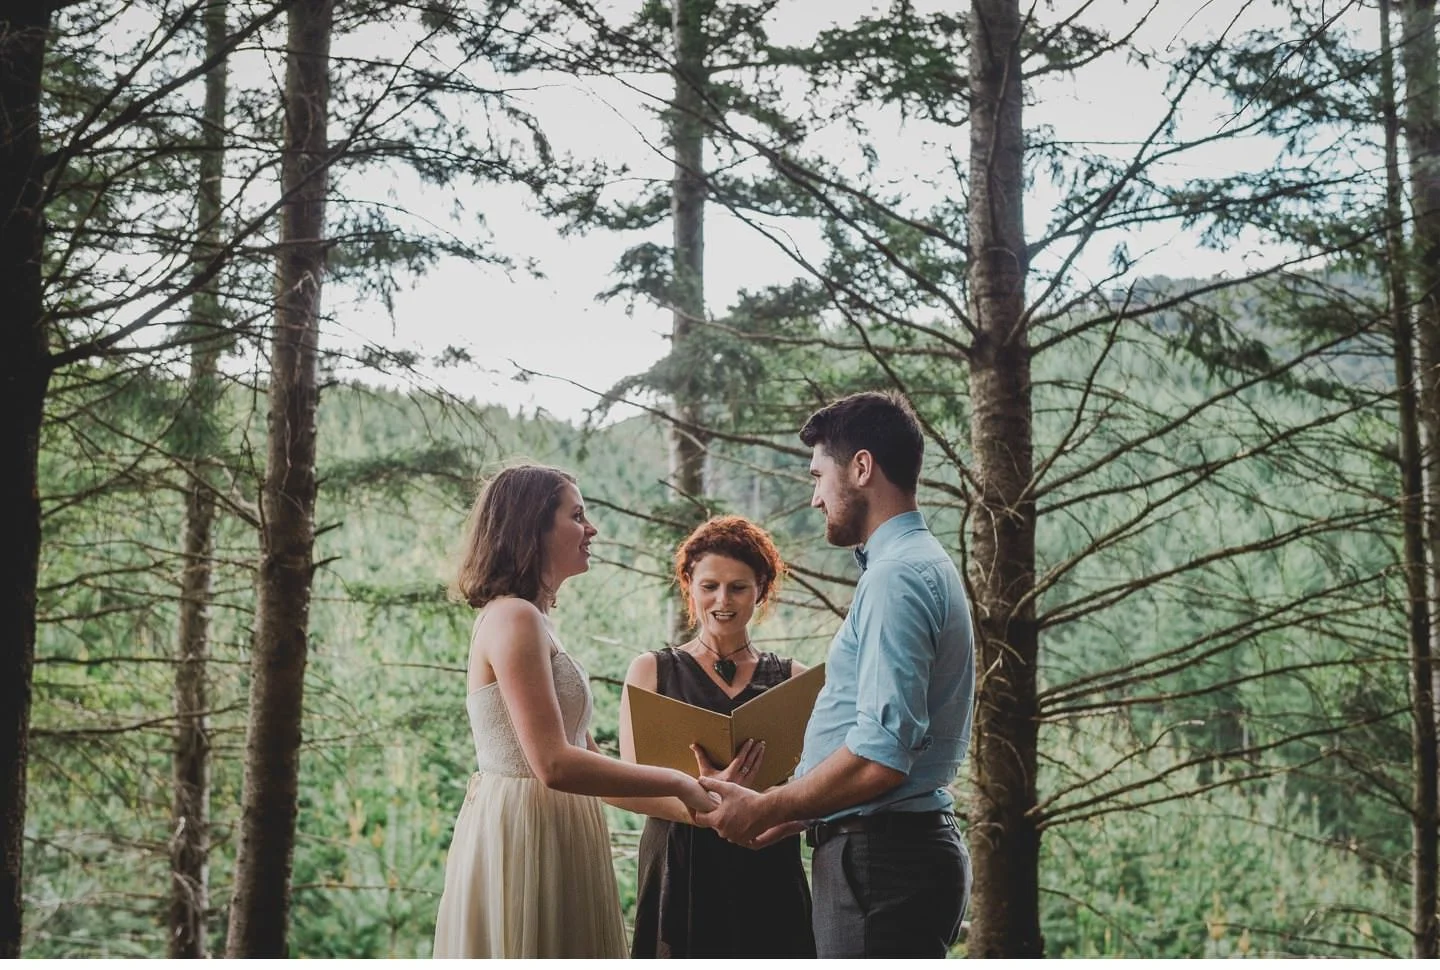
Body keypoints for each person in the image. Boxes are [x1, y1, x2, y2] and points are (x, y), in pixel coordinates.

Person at [695, 391, 975, 959]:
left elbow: (881, 755)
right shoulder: (914, 564)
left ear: (862, 468)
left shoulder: (896, 577)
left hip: (879, 865)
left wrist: (770, 806)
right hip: (888, 858)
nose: (815, 497)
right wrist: (800, 810)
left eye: (819, 476)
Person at [431, 464, 717, 959]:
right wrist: (678, 781)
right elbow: (553, 764)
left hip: (558, 825)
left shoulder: (534, 619)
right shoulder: (514, 617)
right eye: (578, 516)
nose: (592, 529)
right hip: (526, 834)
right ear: (534, 527)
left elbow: (597, 770)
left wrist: (700, 809)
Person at [619, 516, 818, 959]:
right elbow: (629, 785)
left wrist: (770, 802)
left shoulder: (793, 679)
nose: (722, 600)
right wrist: (706, 804)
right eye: (709, 586)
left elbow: (816, 784)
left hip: (764, 862)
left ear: (761, 589)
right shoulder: (651, 671)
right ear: (688, 585)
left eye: (738, 587)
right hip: (678, 863)